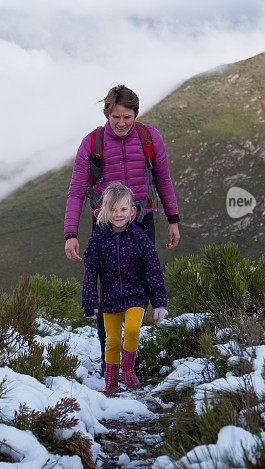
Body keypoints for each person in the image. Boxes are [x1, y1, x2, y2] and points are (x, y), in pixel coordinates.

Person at [64, 84, 180, 374]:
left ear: (135, 114)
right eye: (116, 116)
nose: (121, 123)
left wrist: (174, 219)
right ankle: (109, 362)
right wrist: (71, 234)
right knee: (109, 294)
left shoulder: (150, 138)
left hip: (142, 221)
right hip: (105, 225)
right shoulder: (92, 143)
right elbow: (77, 191)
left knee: (139, 290)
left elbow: (164, 180)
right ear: (107, 113)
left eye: (127, 117)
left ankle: (130, 358)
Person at [81, 182, 166, 394]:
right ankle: (110, 384)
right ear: (104, 211)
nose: (118, 214)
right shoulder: (99, 238)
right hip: (109, 299)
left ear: (133, 211)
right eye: (113, 209)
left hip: (136, 295)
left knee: (131, 330)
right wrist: (90, 302)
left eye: (123, 209)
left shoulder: (140, 238)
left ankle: (128, 369)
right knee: (112, 341)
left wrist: (159, 302)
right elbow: (90, 270)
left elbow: (153, 270)